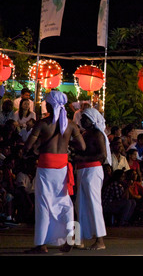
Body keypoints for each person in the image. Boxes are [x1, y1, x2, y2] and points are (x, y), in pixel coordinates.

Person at [23, 91, 86, 254]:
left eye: (46, 102)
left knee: (44, 204)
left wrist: (32, 148)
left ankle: (41, 244)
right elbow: (82, 146)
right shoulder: (71, 124)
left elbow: (29, 145)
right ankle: (71, 237)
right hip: (62, 166)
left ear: (50, 105)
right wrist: (67, 143)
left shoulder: (43, 123)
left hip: (46, 166)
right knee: (64, 202)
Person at [72, 108, 110, 250]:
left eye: (85, 118)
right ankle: (79, 239)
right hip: (82, 170)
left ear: (92, 120)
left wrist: (82, 158)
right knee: (79, 204)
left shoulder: (97, 134)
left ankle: (100, 240)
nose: (82, 120)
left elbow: (102, 155)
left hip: (92, 170)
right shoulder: (85, 134)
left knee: (94, 204)